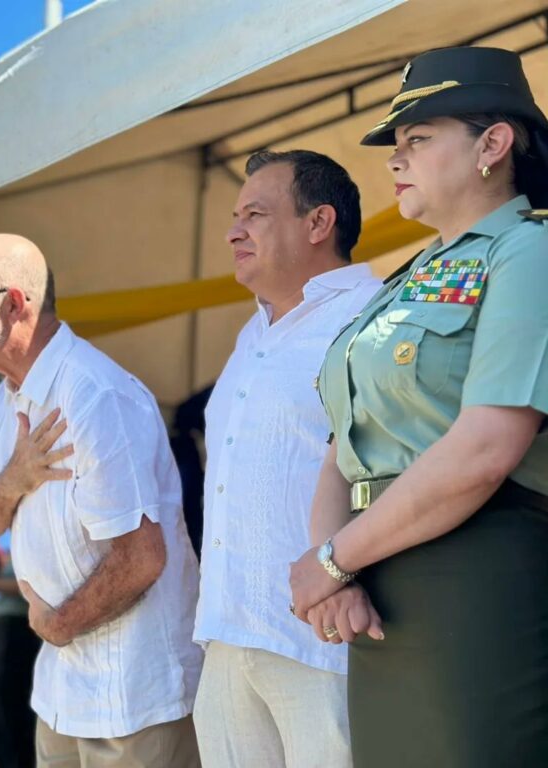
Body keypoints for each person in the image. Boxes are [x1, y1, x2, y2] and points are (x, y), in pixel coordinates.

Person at [289, 46, 548, 766]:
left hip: (473, 570)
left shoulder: (529, 254)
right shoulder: (409, 277)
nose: (395, 161)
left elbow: (486, 451)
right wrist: (331, 566)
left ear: (493, 144)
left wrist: (336, 558)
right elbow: (346, 440)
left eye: (418, 140)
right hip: (376, 580)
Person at [0, 234, 203, 767]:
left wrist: (57, 625)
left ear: (14, 304)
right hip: (62, 692)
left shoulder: (96, 393)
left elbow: (141, 558)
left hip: (134, 694)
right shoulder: (9, 393)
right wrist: (15, 478)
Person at [191, 149, 382, 767]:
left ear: (318, 223)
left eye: (256, 213)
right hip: (228, 636)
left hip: (323, 644)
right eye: (235, 215)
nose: (232, 231)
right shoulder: (253, 334)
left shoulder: (371, 316)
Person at [0, 531, 40, 768]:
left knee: (11, 703)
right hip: (2, 626)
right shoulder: (7, 539)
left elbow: (32, 585)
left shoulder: (29, 537)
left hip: (20, 628)